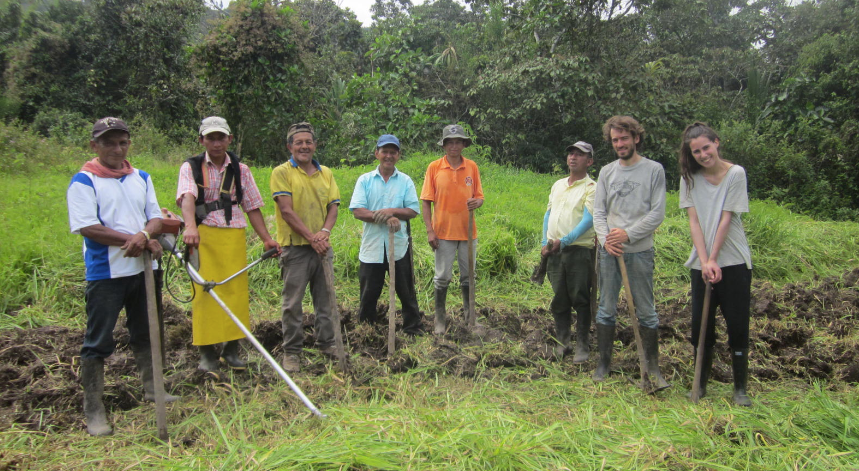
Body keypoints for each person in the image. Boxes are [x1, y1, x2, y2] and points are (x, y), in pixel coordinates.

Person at [67, 117, 177, 436]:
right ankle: (94, 409)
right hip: (106, 273)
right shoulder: (83, 182)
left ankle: (153, 388)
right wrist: (133, 239)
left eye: (123, 142)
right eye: (109, 143)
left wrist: (144, 234)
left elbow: (156, 216)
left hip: (145, 269)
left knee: (146, 331)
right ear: (94, 146)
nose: (117, 149)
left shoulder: (141, 177)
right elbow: (88, 226)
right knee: (98, 340)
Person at [176, 116, 280, 373]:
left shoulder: (240, 169)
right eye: (210, 137)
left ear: (229, 139)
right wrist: (189, 227)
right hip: (202, 236)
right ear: (202, 140)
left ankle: (232, 349)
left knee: (235, 293)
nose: (216, 142)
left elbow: (252, 206)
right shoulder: (191, 166)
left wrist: (267, 238)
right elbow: (187, 197)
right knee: (204, 293)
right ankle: (207, 353)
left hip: (233, 235)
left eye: (221, 137)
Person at [591, 115, 669, 390]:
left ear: (636, 138)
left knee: (646, 311)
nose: (620, 144)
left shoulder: (654, 170)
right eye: (615, 140)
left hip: (639, 252)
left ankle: (653, 369)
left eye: (625, 138)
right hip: (610, 252)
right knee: (606, 308)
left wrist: (629, 234)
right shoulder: (606, 172)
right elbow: (598, 212)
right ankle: (603, 364)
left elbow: (657, 213)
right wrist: (605, 239)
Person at [679, 122, 753, 407]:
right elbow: (694, 222)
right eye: (696, 151)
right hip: (701, 265)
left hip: (733, 261)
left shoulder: (735, 174)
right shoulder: (689, 178)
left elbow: (726, 218)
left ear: (717, 143)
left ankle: (740, 389)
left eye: (706, 147)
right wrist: (704, 260)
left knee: (737, 323)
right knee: (701, 325)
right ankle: (700, 385)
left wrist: (714, 259)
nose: (702, 154)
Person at [271, 122, 341, 373]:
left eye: (308, 142)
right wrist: (312, 237)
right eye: (298, 142)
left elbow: (333, 206)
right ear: (290, 146)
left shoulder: (326, 173)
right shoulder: (281, 172)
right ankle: (292, 352)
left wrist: (324, 233)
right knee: (293, 304)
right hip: (296, 249)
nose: (304, 146)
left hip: (321, 247)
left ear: (315, 145)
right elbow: (286, 211)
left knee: (326, 301)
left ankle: (328, 344)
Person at [350, 135, 424, 335]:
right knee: (368, 293)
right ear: (377, 154)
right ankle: (366, 330)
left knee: (406, 291)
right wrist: (383, 218)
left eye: (393, 152)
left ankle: (412, 328)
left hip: (399, 246)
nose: (388, 156)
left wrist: (392, 211)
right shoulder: (364, 180)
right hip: (372, 247)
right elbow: (358, 211)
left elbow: (412, 211)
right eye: (385, 152)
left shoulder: (405, 181)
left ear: (398, 155)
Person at [420, 124, 484, 335]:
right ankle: (440, 320)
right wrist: (430, 231)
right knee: (442, 277)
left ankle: (470, 317)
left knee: (468, 276)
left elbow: (479, 196)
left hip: (467, 232)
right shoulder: (434, 168)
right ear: (444, 145)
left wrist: (477, 202)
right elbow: (426, 202)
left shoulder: (472, 167)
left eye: (458, 142)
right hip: (443, 233)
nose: (454, 146)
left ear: (464, 144)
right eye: (450, 142)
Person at [542, 141, 596, 362]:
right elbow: (548, 214)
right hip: (554, 251)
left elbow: (588, 220)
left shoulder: (592, 187)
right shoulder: (558, 185)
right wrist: (545, 241)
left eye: (580, 155)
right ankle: (563, 342)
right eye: (571, 154)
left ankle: (583, 344)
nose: (573, 157)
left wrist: (564, 241)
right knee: (559, 297)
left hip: (579, 251)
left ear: (589, 161)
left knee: (581, 297)